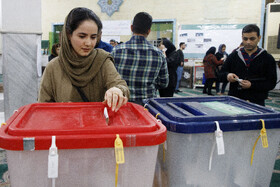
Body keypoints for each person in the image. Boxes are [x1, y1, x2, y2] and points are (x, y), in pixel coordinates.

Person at [38, 7, 129, 112]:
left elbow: (120, 85)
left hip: (98, 127)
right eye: (82, 36)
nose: (88, 43)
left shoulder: (102, 61)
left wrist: (117, 90)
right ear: (68, 34)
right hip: (65, 127)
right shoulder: (53, 67)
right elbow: (43, 108)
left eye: (93, 37)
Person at [112, 12, 169, 105]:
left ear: (131, 28)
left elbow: (110, 78)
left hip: (121, 103)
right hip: (147, 105)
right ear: (148, 31)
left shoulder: (116, 51)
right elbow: (164, 83)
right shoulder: (159, 54)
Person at [221, 24, 277, 106]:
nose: (248, 42)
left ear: (259, 38)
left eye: (252, 39)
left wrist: (252, 85)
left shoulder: (267, 58)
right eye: (245, 39)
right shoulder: (234, 56)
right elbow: (220, 74)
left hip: (257, 102)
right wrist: (227, 75)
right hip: (235, 101)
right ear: (242, 38)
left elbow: (271, 83)